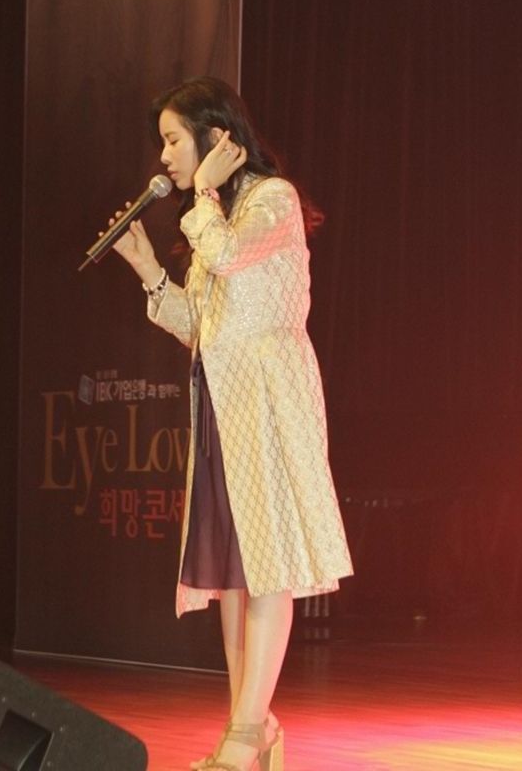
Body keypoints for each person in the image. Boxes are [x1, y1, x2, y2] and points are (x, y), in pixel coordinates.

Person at [110, 77, 353, 771]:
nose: (164, 158)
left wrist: (206, 199)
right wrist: (150, 272)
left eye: (173, 141)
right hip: (224, 404)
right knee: (232, 574)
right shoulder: (215, 214)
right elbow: (204, 324)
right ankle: (252, 722)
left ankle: (245, 735)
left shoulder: (270, 201)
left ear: (216, 139)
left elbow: (223, 256)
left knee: (268, 568)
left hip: (270, 403)